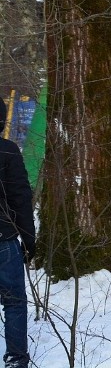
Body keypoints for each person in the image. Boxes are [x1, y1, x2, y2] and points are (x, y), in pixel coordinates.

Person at [0, 98, 36, 368]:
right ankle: (16, 359)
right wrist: (29, 239)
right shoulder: (8, 151)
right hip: (4, 239)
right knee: (14, 301)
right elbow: (20, 198)